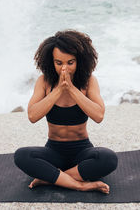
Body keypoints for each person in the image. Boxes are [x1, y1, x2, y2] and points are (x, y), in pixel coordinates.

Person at [14, 29, 118, 194]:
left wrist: (71, 89)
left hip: (82, 150)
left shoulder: (89, 81)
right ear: (51, 61)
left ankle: (51, 178)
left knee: (108, 158)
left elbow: (99, 116)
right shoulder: (44, 82)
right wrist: (58, 90)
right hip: (53, 151)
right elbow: (33, 116)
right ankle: (78, 184)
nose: (64, 69)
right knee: (21, 155)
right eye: (59, 63)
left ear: (79, 61)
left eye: (70, 63)